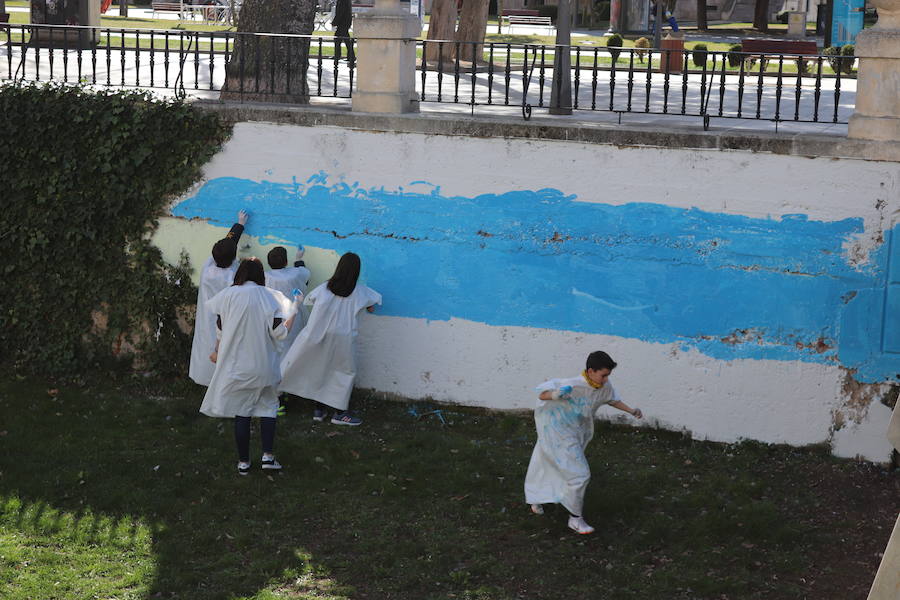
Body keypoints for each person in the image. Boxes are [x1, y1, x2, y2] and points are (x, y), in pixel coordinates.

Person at [524, 351, 643, 535]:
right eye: (603, 375)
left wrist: (631, 411)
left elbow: (612, 399)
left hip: (575, 430)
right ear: (590, 371)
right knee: (579, 475)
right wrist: (556, 395)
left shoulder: (603, 385)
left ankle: (537, 497)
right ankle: (575, 518)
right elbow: (542, 394)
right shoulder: (572, 384)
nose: (605, 379)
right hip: (556, 430)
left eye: (608, 375)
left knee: (547, 461)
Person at [200, 258, 299, 475]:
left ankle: (243, 463)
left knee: (241, 411)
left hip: (236, 367)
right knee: (268, 408)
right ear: (260, 275)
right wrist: (294, 311)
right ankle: (268, 457)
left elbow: (220, 327)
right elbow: (280, 333)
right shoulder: (271, 296)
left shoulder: (227, 295)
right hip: (264, 366)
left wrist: (216, 350)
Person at [279, 252, 380, 426]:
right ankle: (340, 413)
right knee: (342, 373)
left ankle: (319, 409)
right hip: (343, 338)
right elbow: (373, 304)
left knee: (320, 368)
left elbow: (310, 300)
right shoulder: (360, 292)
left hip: (316, 335)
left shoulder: (325, 288)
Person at [189, 210, 249, 387]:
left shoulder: (207, 269)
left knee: (205, 346)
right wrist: (240, 224)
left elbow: (226, 246)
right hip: (224, 320)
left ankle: (205, 379)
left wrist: (238, 225)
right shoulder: (232, 276)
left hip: (207, 317)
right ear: (233, 259)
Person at [265, 245, 312, 413]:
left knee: (276, 357)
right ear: (286, 261)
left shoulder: (265, 276)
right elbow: (305, 275)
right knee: (291, 355)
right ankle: (285, 391)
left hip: (275, 320)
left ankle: (278, 394)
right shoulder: (295, 273)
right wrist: (299, 258)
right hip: (294, 318)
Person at [332, 0, 355, 64]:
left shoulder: (343, 1)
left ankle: (350, 56)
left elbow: (340, 12)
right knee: (339, 39)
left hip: (343, 22)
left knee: (345, 40)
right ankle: (339, 55)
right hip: (344, 22)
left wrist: (335, 22)